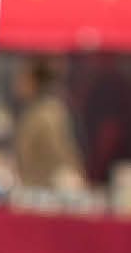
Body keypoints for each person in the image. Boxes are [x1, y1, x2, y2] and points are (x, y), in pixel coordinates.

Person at [12, 56, 83, 192]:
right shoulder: (35, 111)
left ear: (34, 81)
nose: (18, 83)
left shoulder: (48, 114)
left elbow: (60, 155)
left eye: (23, 78)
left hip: (46, 190)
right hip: (33, 187)